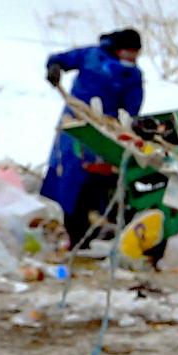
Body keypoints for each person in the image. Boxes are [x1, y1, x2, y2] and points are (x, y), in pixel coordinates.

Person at [36, 29, 144, 245]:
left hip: (105, 129)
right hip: (75, 123)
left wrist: (128, 124)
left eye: (135, 54)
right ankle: (60, 223)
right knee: (66, 173)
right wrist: (54, 69)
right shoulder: (92, 56)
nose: (131, 58)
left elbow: (132, 107)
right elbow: (60, 59)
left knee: (97, 179)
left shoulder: (132, 75)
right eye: (128, 53)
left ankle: (88, 228)